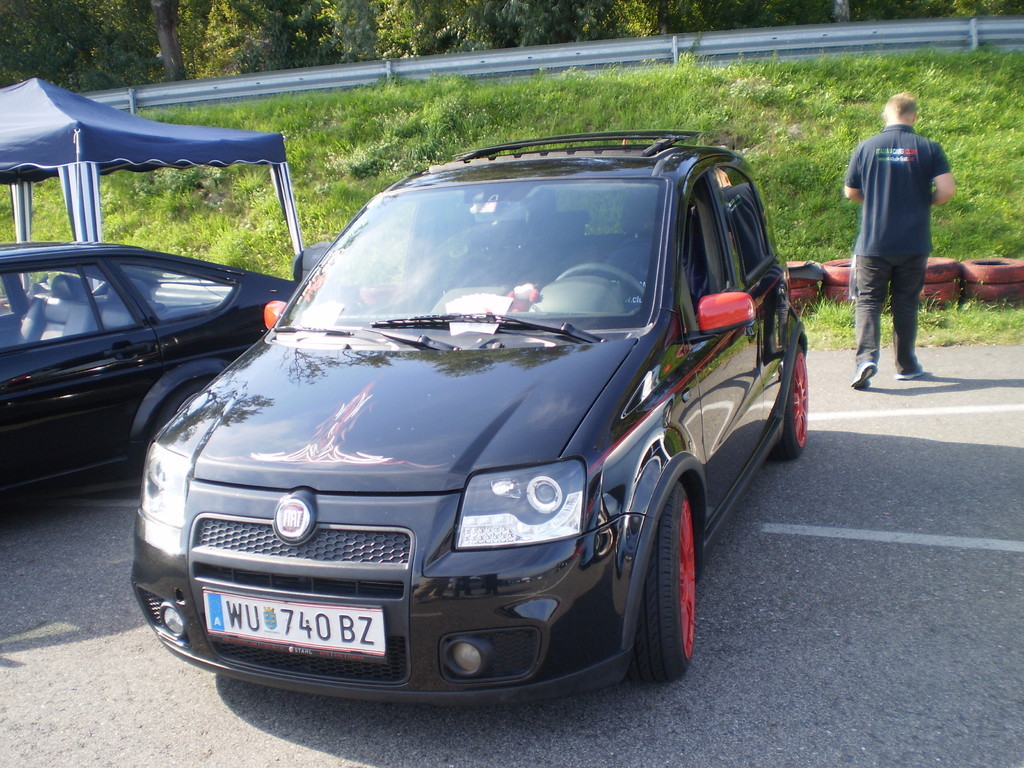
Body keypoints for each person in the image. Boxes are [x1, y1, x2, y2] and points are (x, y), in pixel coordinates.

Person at [843, 92, 956, 389]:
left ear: (886, 115)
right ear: (913, 117)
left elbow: (851, 192)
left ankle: (866, 359)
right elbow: (946, 190)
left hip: (874, 242)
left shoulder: (866, 147)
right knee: (905, 302)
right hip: (913, 242)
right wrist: (922, 201)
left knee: (869, 301)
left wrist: (877, 200)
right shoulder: (929, 147)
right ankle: (906, 366)